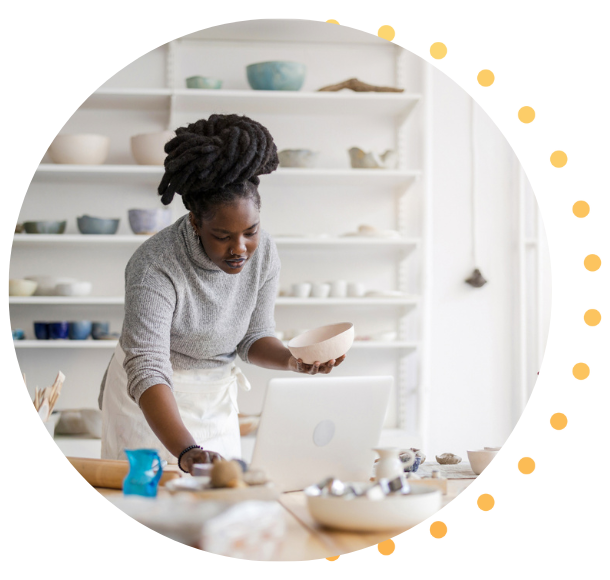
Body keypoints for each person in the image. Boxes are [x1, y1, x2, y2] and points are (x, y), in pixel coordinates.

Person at [98, 114, 346, 475]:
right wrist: (186, 450)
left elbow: (253, 337)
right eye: (222, 236)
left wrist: (294, 360)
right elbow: (147, 366)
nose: (240, 249)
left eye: (251, 231)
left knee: (221, 510)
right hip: (150, 404)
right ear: (196, 223)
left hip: (215, 399)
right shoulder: (154, 265)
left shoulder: (265, 254)